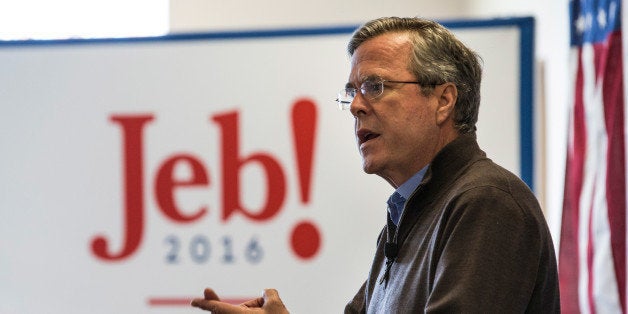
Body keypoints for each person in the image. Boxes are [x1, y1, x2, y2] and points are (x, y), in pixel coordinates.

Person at [191, 16, 560, 313]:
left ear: (444, 100)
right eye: (353, 91)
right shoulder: (408, 214)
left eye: (376, 86)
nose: (356, 106)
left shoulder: (486, 202)